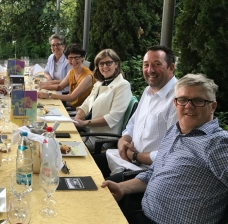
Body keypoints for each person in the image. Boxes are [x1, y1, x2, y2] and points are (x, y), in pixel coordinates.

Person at [102, 74, 228, 224]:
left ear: (212, 106)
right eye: (183, 99)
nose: (188, 106)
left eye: (198, 101)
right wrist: (121, 188)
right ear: (175, 103)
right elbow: (150, 174)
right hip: (140, 214)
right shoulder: (174, 132)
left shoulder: (218, 143)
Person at [93, 45, 178, 182]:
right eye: (146, 65)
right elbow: (132, 125)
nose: (150, 70)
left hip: (148, 173)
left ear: (171, 67)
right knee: (82, 167)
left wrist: (135, 156)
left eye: (157, 64)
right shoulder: (148, 91)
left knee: (100, 190)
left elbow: (170, 153)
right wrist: (123, 141)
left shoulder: (179, 100)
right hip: (126, 160)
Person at [73, 49, 132, 144]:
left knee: (63, 146)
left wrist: (84, 123)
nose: (105, 66)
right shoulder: (100, 83)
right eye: (101, 64)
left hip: (101, 138)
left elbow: (113, 117)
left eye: (108, 63)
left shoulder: (123, 85)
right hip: (88, 132)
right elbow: (87, 104)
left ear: (116, 64)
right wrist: (77, 118)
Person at [38, 44, 95, 108]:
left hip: (79, 110)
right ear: (67, 59)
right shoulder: (72, 71)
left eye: (76, 57)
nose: (73, 61)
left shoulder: (87, 76)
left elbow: (71, 97)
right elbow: (60, 87)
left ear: (82, 57)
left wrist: (48, 95)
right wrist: (43, 86)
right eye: (70, 58)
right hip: (70, 104)